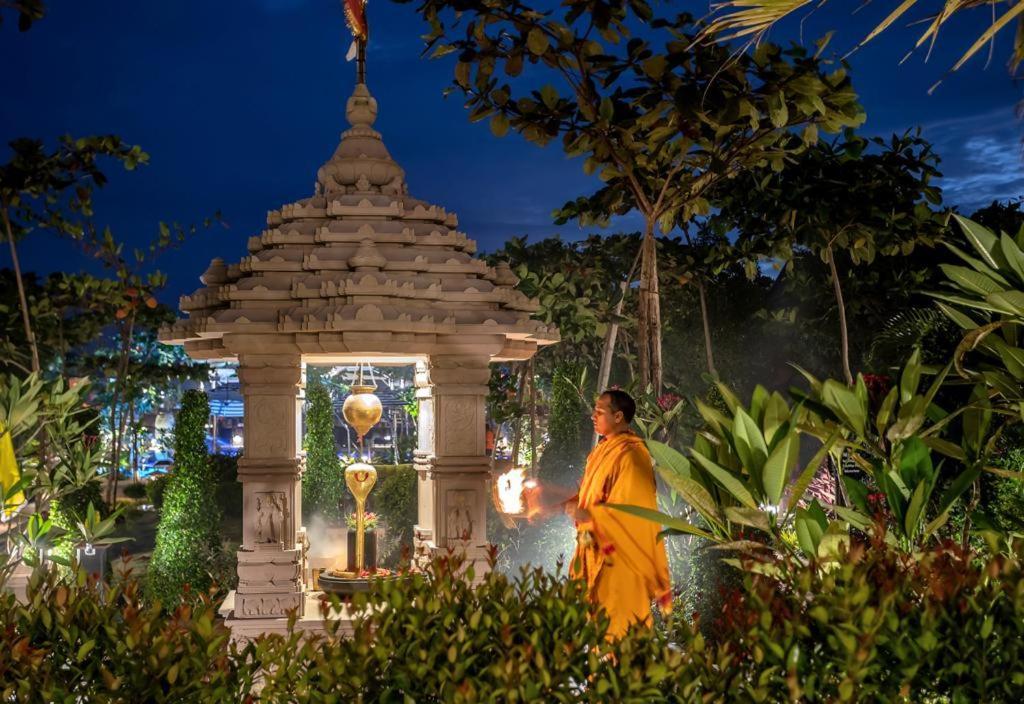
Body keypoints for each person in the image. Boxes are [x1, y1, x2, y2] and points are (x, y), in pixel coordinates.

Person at [567, 389, 671, 639]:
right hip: (594, 551)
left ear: (618, 417)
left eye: (600, 411)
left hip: (621, 557)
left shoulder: (632, 455)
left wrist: (588, 515)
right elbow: (587, 497)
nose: (593, 415)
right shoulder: (602, 451)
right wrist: (550, 506)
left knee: (622, 632)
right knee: (598, 635)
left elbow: (632, 513)